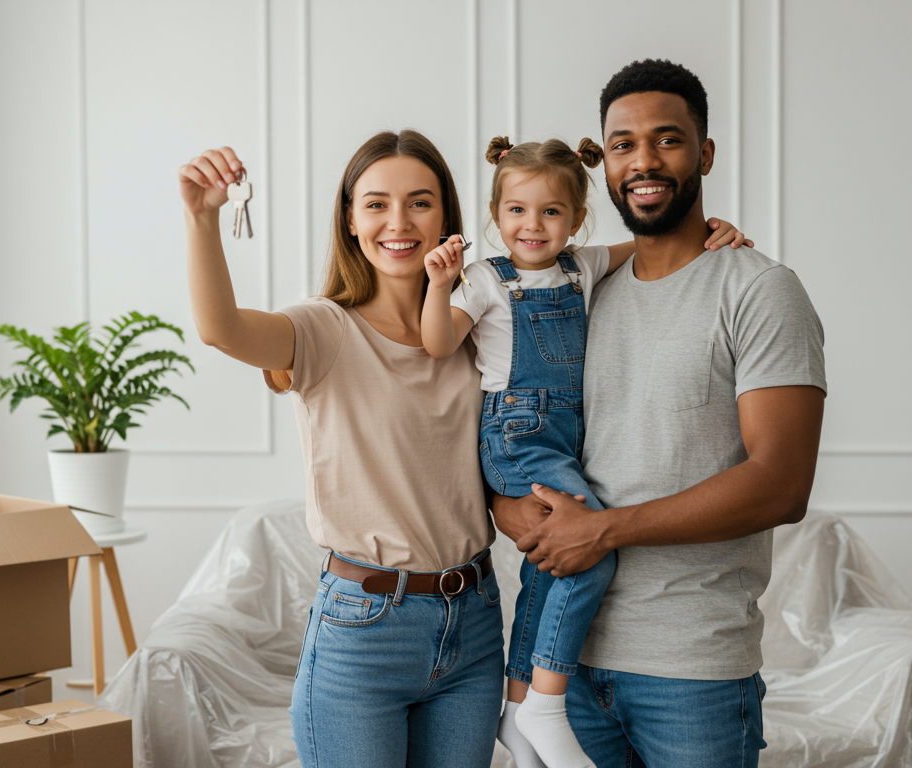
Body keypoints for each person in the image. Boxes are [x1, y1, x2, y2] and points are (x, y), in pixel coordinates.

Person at [491, 59, 828, 768]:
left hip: (691, 670)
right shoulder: (581, 290)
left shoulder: (759, 291)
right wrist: (503, 503)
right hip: (565, 662)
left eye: (668, 140)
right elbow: (516, 413)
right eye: (622, 144)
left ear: (705, 153)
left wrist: (602, 531)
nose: (643, 161)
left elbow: (782, 484)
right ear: (603, 163)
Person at [421, 136, 749, 768]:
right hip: (517, 434)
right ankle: (547, 700)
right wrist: (439, 285)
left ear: (576, 219)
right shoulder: (488, 279)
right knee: (590, 558)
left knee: (555, 567)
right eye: (516, 211)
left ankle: (518, 711)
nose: (532, 225)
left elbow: (653, 245)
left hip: (565, 434)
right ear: (496, 216)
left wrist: (711, 228)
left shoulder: (584, 265)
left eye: (550, 212)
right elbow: (438, 344)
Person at [179, 130, 504, 768]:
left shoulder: (479, 328)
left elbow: (569, 257)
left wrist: (701, 243)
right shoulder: (323, 328)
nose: (399, 222)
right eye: (377, 204)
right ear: (351, 221)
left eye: (420, 202)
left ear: (447, 219)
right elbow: (220, 329)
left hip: (474, 621)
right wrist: (200, 216)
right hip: (364, 630)